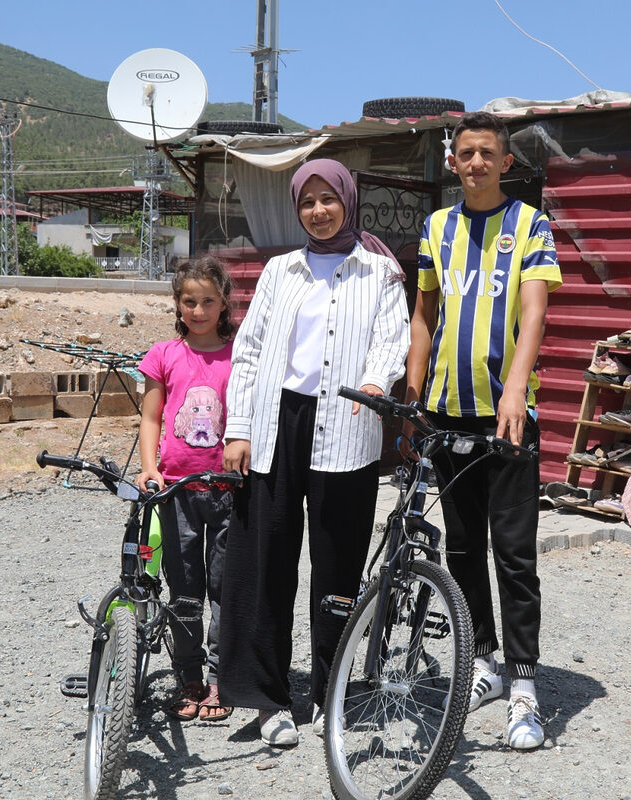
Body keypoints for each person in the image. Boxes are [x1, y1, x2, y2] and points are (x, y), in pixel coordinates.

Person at [218, 158, 410, 747]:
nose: (319, 211)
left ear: (348, 201)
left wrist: (378, 381)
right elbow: (248, 352)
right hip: (279, 425)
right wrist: (239, 428)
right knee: (264, 561)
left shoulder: (379, 273)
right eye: (308, 201)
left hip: (348, 425)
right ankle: (268, 698)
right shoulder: (281, 271)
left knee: (338, 567)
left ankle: (332, 691)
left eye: (329, 199)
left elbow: (391, 338)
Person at [403, 111, 562, 751]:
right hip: (446, 412)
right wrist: (412, 397)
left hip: (508, 414)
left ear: (504, 162)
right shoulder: (436, 227)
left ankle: (525, 689)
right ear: (453, 160)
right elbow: (423, 315)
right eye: (465, 153)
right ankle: (484, 664)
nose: (474, 163)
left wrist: (516, 391)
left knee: (515, 555)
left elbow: (534, 315)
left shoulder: (531, 224)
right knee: (462, 550)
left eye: (486, 154)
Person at [134, 255, 237, 723]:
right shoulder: (163, 355)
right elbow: (151, 417)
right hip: (175, 492)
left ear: (223, 304)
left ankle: (221, 677)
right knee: (185, 588)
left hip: (229, 491)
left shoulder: (240, 355)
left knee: (224, 587)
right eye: (188, 301)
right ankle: (189, 676)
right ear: (177, 305)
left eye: (207, 301)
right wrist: (149, 468)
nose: (198, 310)